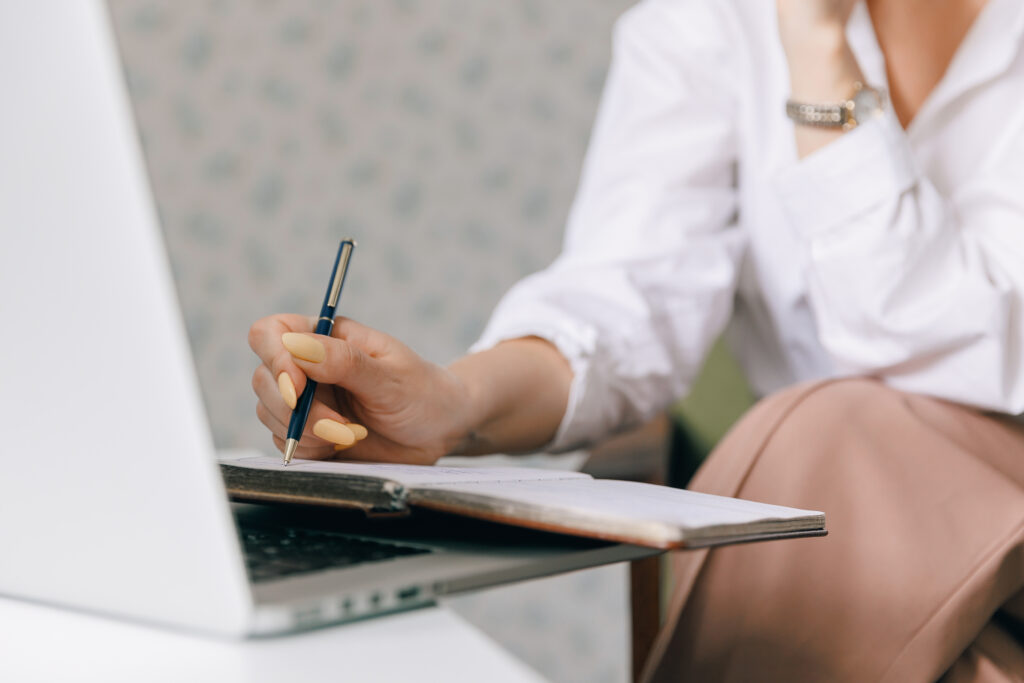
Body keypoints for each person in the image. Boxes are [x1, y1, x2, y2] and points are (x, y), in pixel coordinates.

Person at [249, 0, 1024, 679]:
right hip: (865, 572)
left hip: (923, 502)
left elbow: (942, 349)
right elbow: (622, 304)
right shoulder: (712, 23)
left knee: (836, 429)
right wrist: (452, 401)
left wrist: (818, 50)